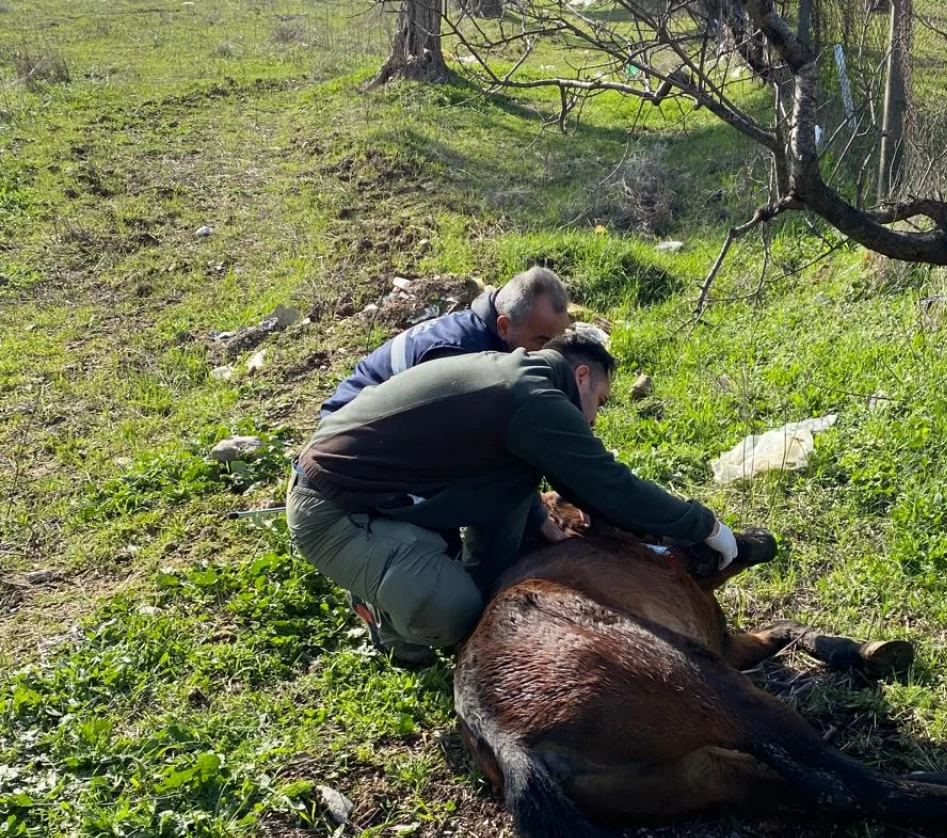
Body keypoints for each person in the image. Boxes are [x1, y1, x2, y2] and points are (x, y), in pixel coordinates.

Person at [288, 331, 738, 664]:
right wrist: (706, 527)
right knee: (456, 611)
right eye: (599, 401)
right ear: (580, 375)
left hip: (388, 494)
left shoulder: (515, 377)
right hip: (333, 509)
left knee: (496, 541)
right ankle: (385, 620)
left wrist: (541, 522)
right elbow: (610, 486)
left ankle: (412, 565)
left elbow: (513, 481)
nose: (596, 418)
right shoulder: (530, 395)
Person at [319, 264, 571, 417]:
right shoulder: (462, 353)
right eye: (541, 341)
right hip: (347, 432)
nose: (547, 353)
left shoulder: (482, 332)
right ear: (503, 326)